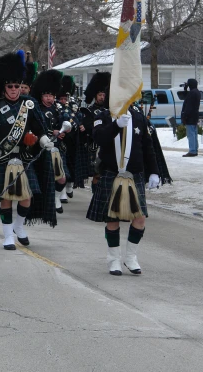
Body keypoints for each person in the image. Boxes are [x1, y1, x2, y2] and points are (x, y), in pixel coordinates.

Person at [85, 76, 160, 276]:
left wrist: (154, 171)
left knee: (140, 218)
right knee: (112, 219)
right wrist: (116, 125)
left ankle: (131, 257)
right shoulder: (103, 114)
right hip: (111, 173)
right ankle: (113, 259)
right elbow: (99, 137)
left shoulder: (138, 116)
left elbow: (148, 146)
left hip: (134, 174)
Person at [0, 51, 56, 250]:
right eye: (10, 86)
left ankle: (18, 227)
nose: (14, 89)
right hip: (2, 156)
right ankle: (7, 237)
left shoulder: (28, 105)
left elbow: (39, 128)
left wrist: (43, 140)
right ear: (3, 86)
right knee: (6, 198)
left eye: (17, 85)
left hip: (23, 157)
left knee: (26, 197)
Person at [30, 69, 69, 214]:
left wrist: (65, 129)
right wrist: (51, 132)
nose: (49, 98)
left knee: (62, 179)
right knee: (41, 180)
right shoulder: (36, 109)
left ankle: (57, 198)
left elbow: (63, 123)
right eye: (47, 95)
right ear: (41, 95)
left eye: (52, 95)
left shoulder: (57, 109)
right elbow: (35, 128)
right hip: (40, 149)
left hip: (57, 149)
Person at [76, 72, 111, 187]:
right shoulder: (89, 111)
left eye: (104, 94)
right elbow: (88, 127)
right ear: (95, 95)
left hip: (109, 145)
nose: (102, 97)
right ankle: (96, 195)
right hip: (94, 146)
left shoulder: (111, 110)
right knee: (97, 173)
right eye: (100, 94)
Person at [57, 75, 79, 201]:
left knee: (69, 165)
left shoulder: (72, 108)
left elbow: (77, 118)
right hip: (58, 140)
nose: (64, 100)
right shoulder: (55, 108)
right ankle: (62, 192)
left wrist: (75, 125)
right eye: (62, 98)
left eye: (65, 98)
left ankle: (69, 185)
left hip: (70, 140)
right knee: (61, 167)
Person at [181, 78, 201, 157]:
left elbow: (188, 105)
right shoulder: (197, 92)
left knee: (191, 134)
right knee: (194, 133)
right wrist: (186, 89)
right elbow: (187, 97)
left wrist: (185, 116)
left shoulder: (192, 93)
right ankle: (195, 149)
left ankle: (192, 150)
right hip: (195, 115)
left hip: (190, 116)